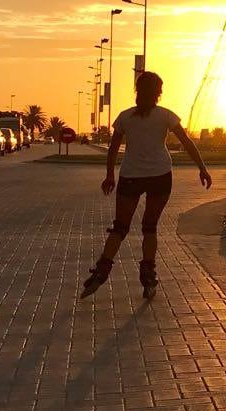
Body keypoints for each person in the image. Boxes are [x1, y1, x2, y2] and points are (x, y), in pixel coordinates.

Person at [81, 72, 212, 299]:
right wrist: (202, 167)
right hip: (160, 176)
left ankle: (102, 271)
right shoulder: (166, 116)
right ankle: (148, 274)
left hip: (131, 176)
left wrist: (110, 175)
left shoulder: (125, 117)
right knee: (149, 227)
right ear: (158, 93)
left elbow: (113, 149)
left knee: (120, 227)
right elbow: (186, 142)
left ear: (137, 91)